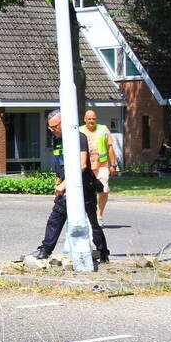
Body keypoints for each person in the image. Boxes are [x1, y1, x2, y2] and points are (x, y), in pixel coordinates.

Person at [26, 109, 108, 263]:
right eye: (50, 127)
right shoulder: (57, 140)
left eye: (54, 126)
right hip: (65, 185)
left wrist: (64, 183)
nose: (52, 130)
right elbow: (59, 162)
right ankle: (45, 250)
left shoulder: (78, 138)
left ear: (63, 123)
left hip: (82, 186)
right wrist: (58, 180)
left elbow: (82, 165)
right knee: (56, 217)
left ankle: (103, 252)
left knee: (91, 220)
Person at [79, 110, 118, 220]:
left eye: (94, 119)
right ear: (85, 119)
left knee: (104, 189)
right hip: (85, 166)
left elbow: (110, 147)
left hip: (102, 165)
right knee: (85, 191)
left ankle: (99, 214)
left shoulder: (103, 129)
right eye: (89, 119)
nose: (91, 121)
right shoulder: (79, 131)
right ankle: (87, 214)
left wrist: (113, 165)